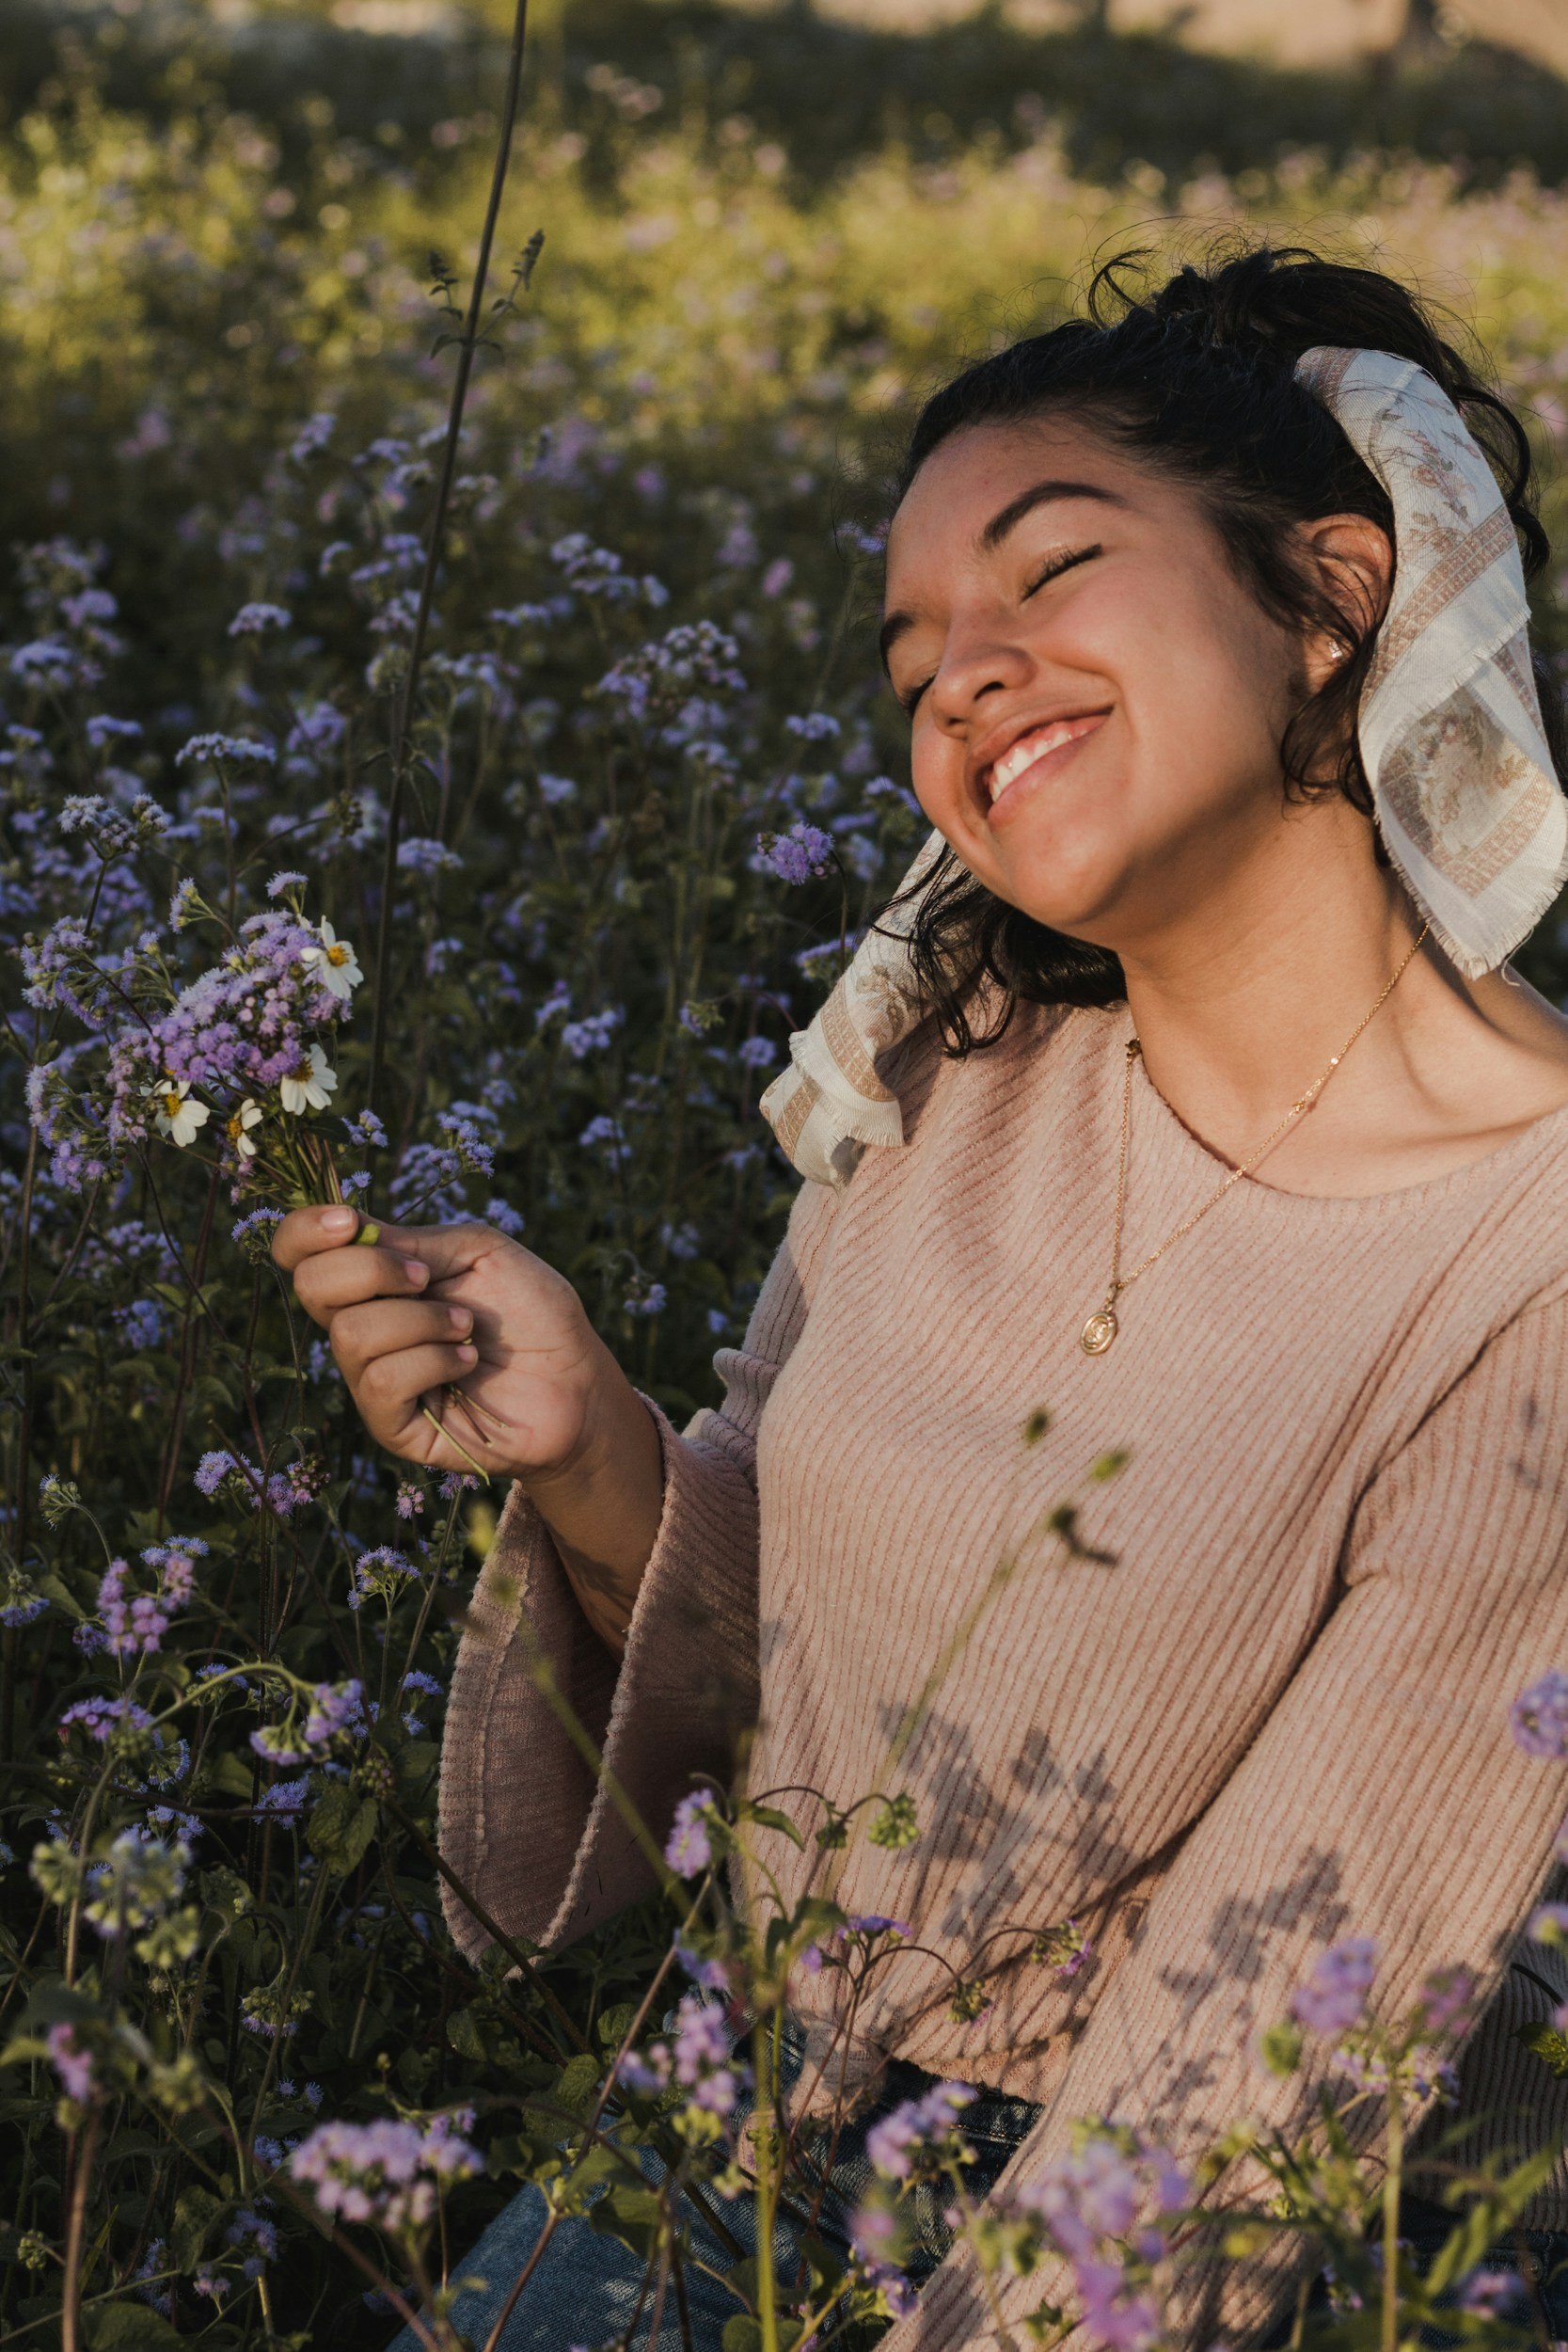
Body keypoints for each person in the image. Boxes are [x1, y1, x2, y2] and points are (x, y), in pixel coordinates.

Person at [275, 243, 1568, 2348]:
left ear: (1333, 596)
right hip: (747, 2114)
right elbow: (796, 1716)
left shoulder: (1540, 1253)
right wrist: (596, 1444)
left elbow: (1261, 2050)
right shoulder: (951, 1066)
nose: (962, 675)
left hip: (1203, 2238)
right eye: (912, 661)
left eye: (1048, 574)